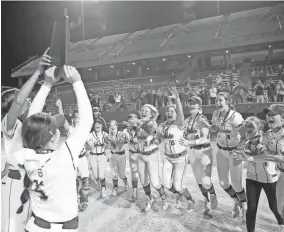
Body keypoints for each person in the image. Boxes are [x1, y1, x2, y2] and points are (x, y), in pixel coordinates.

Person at [11, 65, 93, 232]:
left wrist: (47, 85)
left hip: (35, 226)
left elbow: (30, 124)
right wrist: (77, 82)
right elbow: (86, 122)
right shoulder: (65, 155)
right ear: (54, 136)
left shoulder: (24, 155)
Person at [1, 48, 51, 232]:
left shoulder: (22, 124)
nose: (28, 100)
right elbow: (19, 102)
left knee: (26, 225)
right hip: (13, 182)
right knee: (11, 226)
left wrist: (47, 83)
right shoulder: (8, 125)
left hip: (26, 180)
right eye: (24, 98)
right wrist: (37, 71)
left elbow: (33, 108)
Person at [232, 116, 284, 232]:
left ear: (259, 127)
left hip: (268, 178)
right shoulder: (244, 141)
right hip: (252, 177)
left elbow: (267, 156)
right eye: (246, 126)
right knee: (251, 208)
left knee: (274, 206)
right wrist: (238, 153)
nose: (248, 129)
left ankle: (281, 222)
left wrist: (250, 155)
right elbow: (237, 160)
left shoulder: (266, 138)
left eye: (251, 126)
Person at [157, 86, 195, 211]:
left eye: (172, 111)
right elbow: (158, 140)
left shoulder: (179, 124)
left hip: (180, 158)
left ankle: (190, 200)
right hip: (168, 158)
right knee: (166, 184)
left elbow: (181, 114)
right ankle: (180, 196)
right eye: (167, 111)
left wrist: (177, 100)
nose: (169, 113)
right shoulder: (161, 126)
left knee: (178, 185)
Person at [211, 92, 247, 219]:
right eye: (216, 101)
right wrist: (210, 127)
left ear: (227, 101)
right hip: (220, 151)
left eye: (220, 100)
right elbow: (216, 129)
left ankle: (245, 207)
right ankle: (237, 203)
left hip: (234, 152)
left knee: (237, 184)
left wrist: (239, 150)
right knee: (223, 182)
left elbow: (244, 137)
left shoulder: (235, 116)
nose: (218, 103)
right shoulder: (215, 114)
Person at [180, 96, 218, 216]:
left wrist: (189, 142)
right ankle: (206, 201)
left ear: (199, 106)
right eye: (190, 102)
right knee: (199, 182)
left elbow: (205, 138)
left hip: (204, 152)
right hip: (192, 154)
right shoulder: (186, 121)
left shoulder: (202, 119)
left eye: (194, 103)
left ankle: (212, 194)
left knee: (206, 182)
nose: (191, 104)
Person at [134, 104, 167, 212]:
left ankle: (164, 198)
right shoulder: (139, 122)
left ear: (151, 113)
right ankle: (149, 198)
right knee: (144, 181)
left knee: (155, 181)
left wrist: (139, 123)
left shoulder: (152, 123)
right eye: (142, 110)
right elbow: (137, 137)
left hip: (152, 155)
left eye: (146, 111)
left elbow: (151, 131)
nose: (143, 112)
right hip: (141, 156)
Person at [86, 118, 109, 198]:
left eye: (99, 124)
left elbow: (109, 145)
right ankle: (99, 183)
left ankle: (103, 189)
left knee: (101, 176)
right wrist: (94, 143)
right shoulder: (89, 135)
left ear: (102, 126)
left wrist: (105, 144)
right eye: (96, 124)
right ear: (94, 126)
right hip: (92, 156)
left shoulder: (105, 134)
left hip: (102, 156)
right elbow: (90, 146)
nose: (98, 125)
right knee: (96, 176)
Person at [106, 120, 129, 196]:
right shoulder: (108, 136)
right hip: (113, 156)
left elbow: (119, 144)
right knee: (114, 174)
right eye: (111, 126)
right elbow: (110, 147)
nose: (112, 127)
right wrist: (107, 147)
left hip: (121, 156)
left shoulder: (121, 134)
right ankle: (115, 188)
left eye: (114, 125)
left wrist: (112, 140)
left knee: (122, 174)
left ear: (116, 126)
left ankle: (126, 183)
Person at [123, 113, 140, 201]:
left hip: (142, 154)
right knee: (134, 174)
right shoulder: (125, 130)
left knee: (144, 174)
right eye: (129, 119)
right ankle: (134, 192)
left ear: (137, 119)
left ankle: (149, 193)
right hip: (132, 154)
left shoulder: (141, 128)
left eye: (133, 119)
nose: (131, 120)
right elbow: (123, 140)